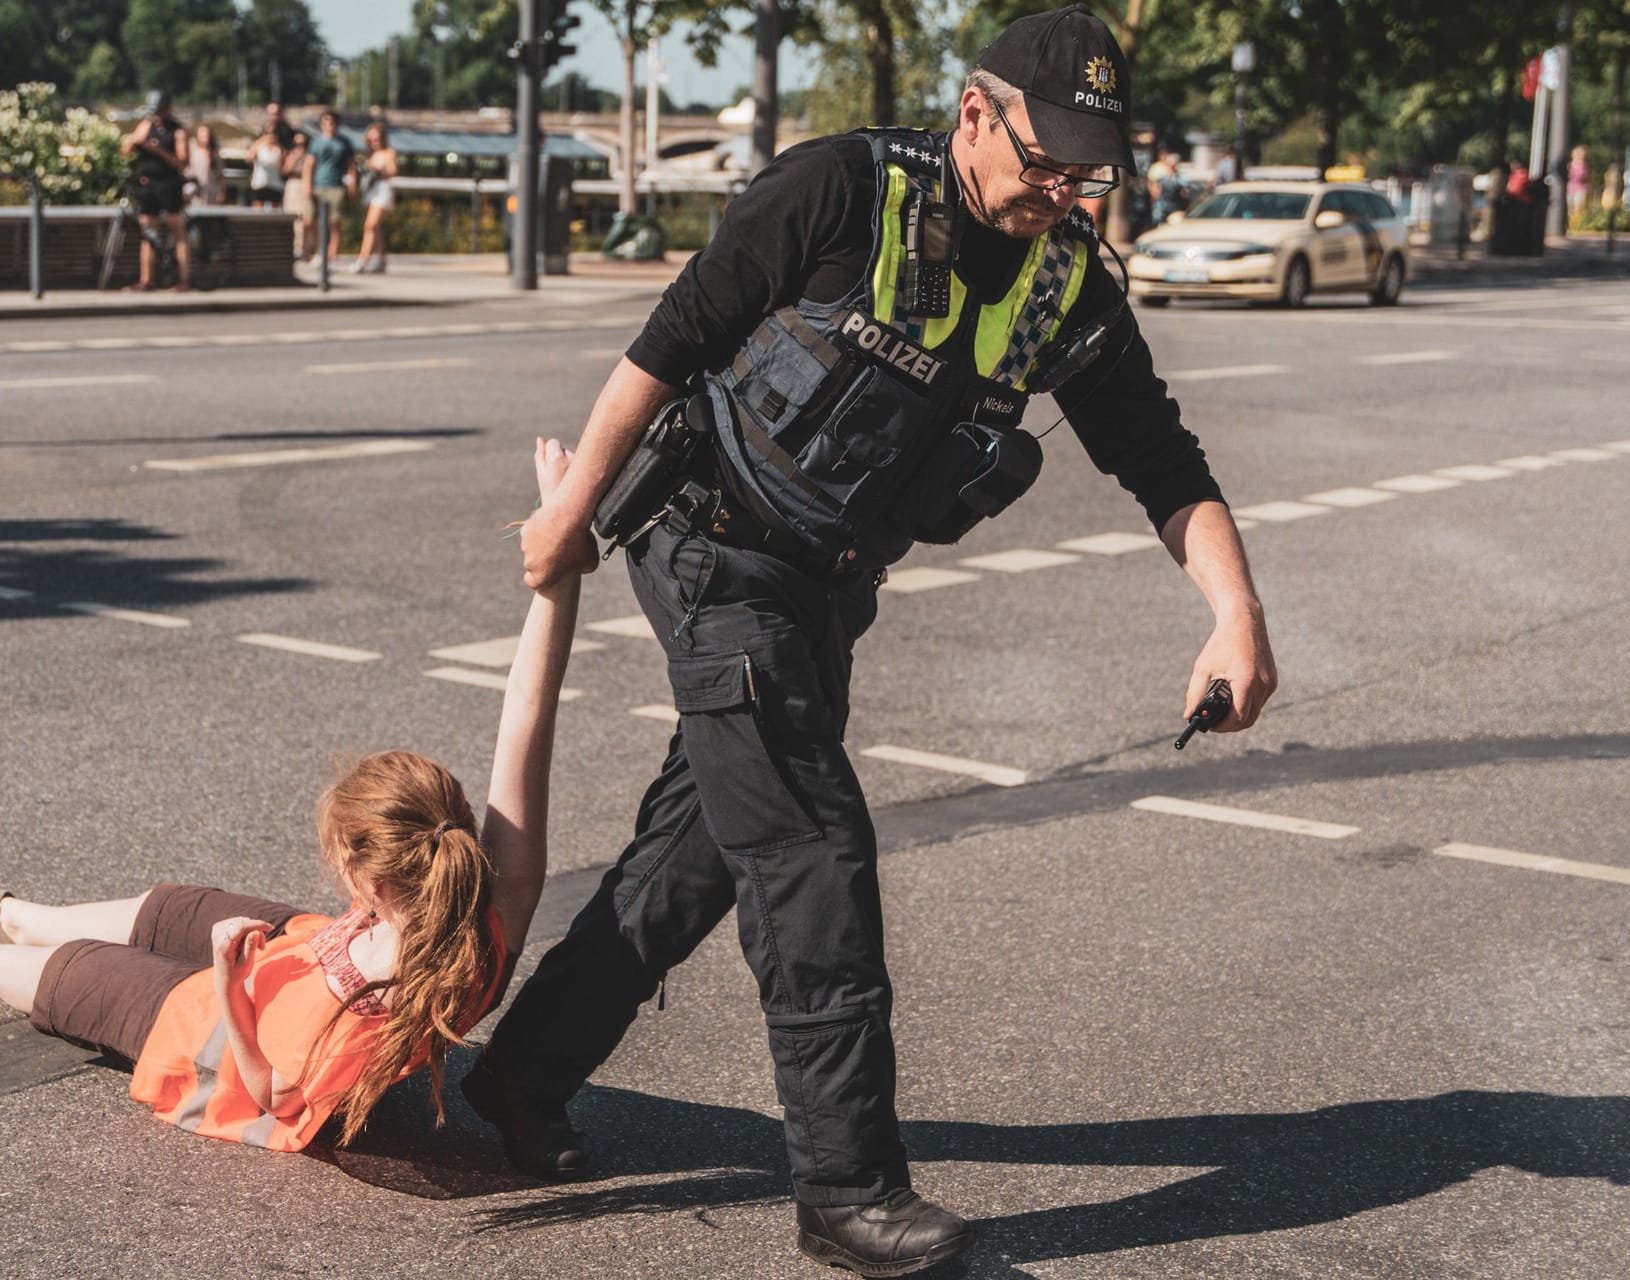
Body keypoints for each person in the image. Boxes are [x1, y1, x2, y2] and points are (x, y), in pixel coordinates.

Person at [467, 6, 1277, 1277]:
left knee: (698, 851)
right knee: (808, 847)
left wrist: (1235, 612)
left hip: (821, 587)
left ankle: (519, 1078)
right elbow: (671, 340)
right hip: (711, 540)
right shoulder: (842, 189)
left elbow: (1160, 457)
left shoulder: (1069, 281)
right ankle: (847, 1191)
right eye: (1043, 160)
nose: (1061, 191)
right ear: (974, 112)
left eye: (1089, 170)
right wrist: (569, 513)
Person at [0, 439, 588, 1154]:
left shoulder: (387, 998)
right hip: (306, 955)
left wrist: (231, 984)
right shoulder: (496, 891)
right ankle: (9, 913)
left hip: (225, 1033)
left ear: (372, 879)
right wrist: (558, 556)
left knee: (80, 971)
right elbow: (529, 707)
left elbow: (277, 1095)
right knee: (172, 905)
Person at [119, 89, 193, 293]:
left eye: (160, 111)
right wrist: (135, 140)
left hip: (169, 184)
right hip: (148, 184)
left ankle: (183, 279)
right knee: (148, 233)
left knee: (177, 230)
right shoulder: (145, 125)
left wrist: (159, 150)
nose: (157, 115)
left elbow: (182, 162)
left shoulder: (177, 130)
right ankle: (146, 279)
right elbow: (125, 151)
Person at [304, 110, 357, 264]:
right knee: (312, 220)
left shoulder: (344, 143)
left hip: (336, 186)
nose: (328, 126)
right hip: (318, 185)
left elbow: (351, 166)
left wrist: (352, 187)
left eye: (331, 122)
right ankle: (320, 250)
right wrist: (307, 185)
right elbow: (309, 164)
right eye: (325, 122)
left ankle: (332, 255)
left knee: (334, 222)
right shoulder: (316, 142)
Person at [354, 122, 400, 274]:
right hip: (371, 190)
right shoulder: (368, 154)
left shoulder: (389, 152)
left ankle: (363, 259)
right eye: (372, 139)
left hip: (383, 190)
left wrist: (377, 170)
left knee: (370, 225)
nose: (375, 141)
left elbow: (393, 171)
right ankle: (381, 260)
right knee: (376, 228)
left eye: (377, 138)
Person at [282, 131, 313, 257]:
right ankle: (295, 246)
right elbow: (285, 170)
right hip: (293, 184)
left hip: (306, 183)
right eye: (297, 144)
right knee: (293, 215)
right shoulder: (291, 154)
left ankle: (306, 247)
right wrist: (295, 158)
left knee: (306, 217)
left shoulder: (311, 155)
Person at [245, 121, 286, 209]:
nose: (271, 135)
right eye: (267, 132)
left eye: (274, 132)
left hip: (275, 184)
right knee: (257, 209)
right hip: (259, 183)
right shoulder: (259, 146)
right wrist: (261, 140)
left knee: (275, 211)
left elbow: (282, 168)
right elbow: (248, 158)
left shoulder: (279, 148)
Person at [186, 122, 227, 207]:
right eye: (202, 136)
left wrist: (221, 191)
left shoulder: (214, 153)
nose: (205, 138)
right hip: (194, 191)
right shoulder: (190, 149)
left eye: (207, 135)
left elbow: (220, 175)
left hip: (211, 191)